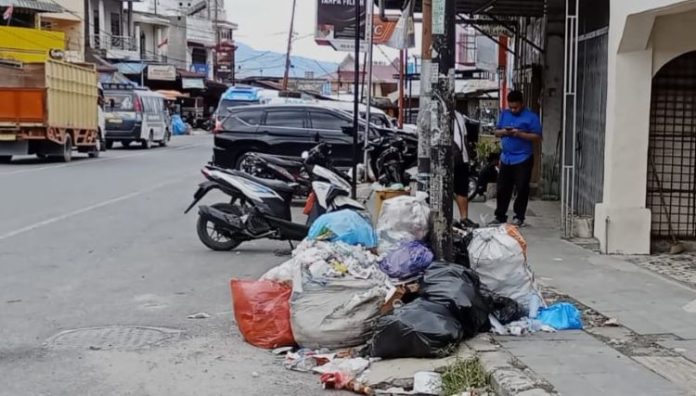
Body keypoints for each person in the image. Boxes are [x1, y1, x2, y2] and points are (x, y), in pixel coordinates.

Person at [492, 90, 542, 227]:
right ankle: (500, 216)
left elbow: (537, 137)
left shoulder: (531, 117)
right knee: (502, 188)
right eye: (511, 107)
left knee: (522, 188)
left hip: (523, 158)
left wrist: (519, 134)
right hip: (506, 158)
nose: (513, 110)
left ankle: (519, 216)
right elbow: (496, 132)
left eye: (516, 107)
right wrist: (505, 132)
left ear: (522, 104)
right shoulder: (505, 114)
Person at [453, 110, 476, 227]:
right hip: (447, 158)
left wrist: (469, 157)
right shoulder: (437, 113)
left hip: (462, 157)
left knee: (462, 188)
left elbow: (464, 137)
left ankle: (464, 218)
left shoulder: (458, 115)